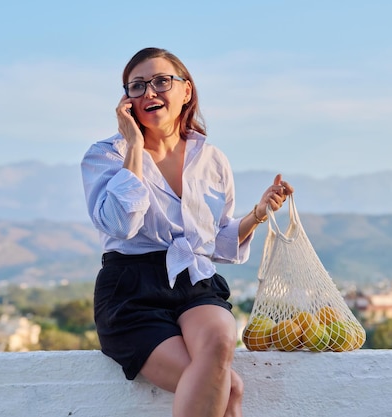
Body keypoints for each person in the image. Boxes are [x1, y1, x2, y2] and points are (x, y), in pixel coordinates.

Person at [81, 47, 294, 417]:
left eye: (162, 81)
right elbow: (121, 224)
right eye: (137, 85)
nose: (149, 92)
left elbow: (215, 242)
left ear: (186, 91)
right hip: (132, 291)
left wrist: (257, 214)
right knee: (231, 389)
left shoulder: (211, 159)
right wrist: (134, 145)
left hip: (194, 284)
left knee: (220, 336)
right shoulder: (106, 156)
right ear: (126, 100)